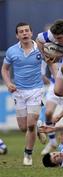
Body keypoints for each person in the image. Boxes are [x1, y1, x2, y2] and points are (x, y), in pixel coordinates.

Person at [1, 22, 44, 166]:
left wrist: (56, 77)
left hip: (36, 90)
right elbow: (5, 70)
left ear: (31, 33)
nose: (24, 33)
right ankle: (38, 125)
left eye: (27, 31)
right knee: (23, 127)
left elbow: (52, 62)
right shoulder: (12, 51)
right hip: (18, 92)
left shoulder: (40, 48)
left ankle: (28, 154)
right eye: (21, 31)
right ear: (17, 35)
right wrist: (8, 83)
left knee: (30, 126)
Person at [39, 60, 63, 155]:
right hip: (54, 85)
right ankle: (52, 142)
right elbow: (42, 72)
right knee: (48, 113)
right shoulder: (51, 51)